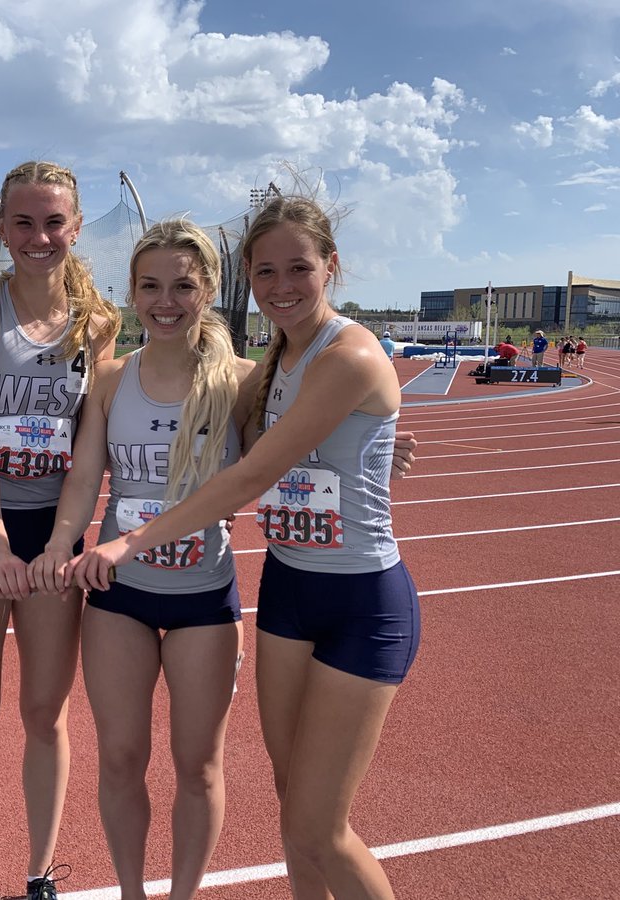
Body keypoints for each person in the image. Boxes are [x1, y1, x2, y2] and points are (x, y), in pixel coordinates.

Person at [69, 194, 420, 899]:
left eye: (299, 268)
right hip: (288, 592)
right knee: (296, 816)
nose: (282, 286)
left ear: (332, 266)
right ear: (249, 282)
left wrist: (131, 540)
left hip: (359, 600)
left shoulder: (344, 353)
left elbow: (254, 471)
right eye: (267, 272)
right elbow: (292, 442)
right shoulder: (275, 362)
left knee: (321, 826)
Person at [29, 220, 253, 899]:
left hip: (204, 598)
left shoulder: (243, 381)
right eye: (151, 285)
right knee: (122, 758)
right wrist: (56, 543)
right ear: (132, 291)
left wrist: (375, 447)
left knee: (200, 767)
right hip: (119, 597)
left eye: (183, 286)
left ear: (208, 290)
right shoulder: (111, 379)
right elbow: (82, 479)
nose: (166, 301)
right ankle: (132, 893)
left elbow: (302, 442)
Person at [0, 160, 121, 900]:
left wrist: (56, 543)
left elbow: (89, 451)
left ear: (75, 229)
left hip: (56, 530)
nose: (40, 236)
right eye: (24, 222)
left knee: (46, 711)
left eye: (54, 222)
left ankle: (40, 872)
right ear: (3, 229)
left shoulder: (100, 322)